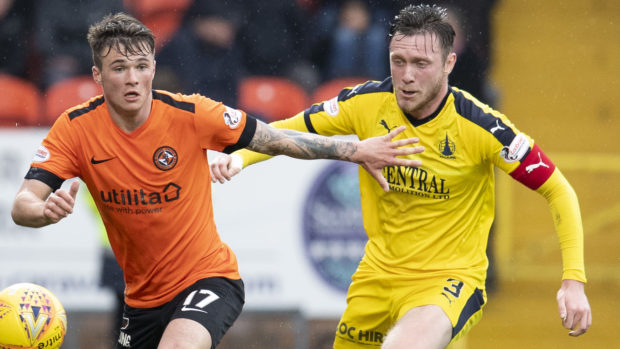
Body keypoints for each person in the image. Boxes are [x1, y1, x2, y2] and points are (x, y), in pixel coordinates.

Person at [10, 12, 424, 349]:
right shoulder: (75, 128)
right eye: (119, 68)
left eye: (141, 66)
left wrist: (355, 151)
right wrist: (43, 213)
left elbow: (276, 139)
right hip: (140, 300)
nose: (133, 78)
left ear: (154, 68)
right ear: (99, 76)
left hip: (209, 278)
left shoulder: (192, 114)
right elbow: (23, 203)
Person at [210, 4, 592, 348]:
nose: (407, 76)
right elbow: (288, 129)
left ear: (449, 64)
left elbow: (558, 190)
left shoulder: (482, 127)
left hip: (448, 281)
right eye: (398, 61)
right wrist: (241, 159)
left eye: (421, 64)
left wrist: (573, 280)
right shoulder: (364, 103)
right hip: (376, 277)